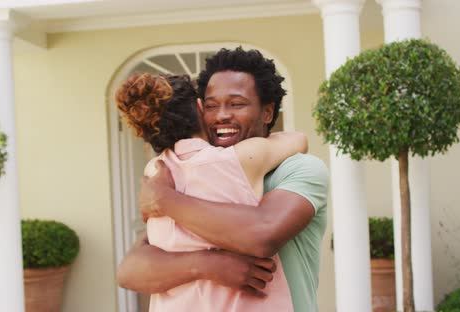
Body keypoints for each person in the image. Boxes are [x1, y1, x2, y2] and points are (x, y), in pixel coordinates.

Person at [118, 47, 330, 312]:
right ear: (198, 109)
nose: (221, 116)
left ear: (267, 112)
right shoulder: (177, 172)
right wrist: (208, 265)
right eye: (211, 106)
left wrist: (165, 199)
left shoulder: (299, 168)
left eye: (237, 104)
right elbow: (131, 271)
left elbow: (262, 235)